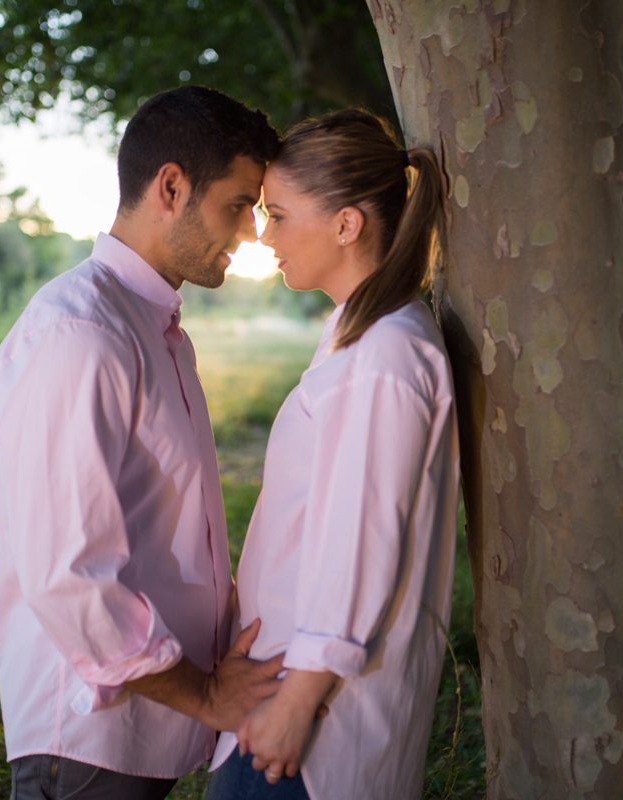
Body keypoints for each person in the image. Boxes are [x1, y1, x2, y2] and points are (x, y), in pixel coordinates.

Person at [0, 86, 284, 800]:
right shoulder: (80, 333)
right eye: (239, 205)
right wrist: (208, 698)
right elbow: (68, 573)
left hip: (152, 727)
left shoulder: (158, 331)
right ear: (172, 187)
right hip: (90, 742)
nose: (249, 233)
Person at [204, 109, 459, 800]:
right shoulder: (360, 332)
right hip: (279, 696)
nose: (264, 235)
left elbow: (360, 546)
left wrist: (295, 704)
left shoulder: (385, 355)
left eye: (279, 215)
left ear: (347, 224)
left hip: (310, 734)